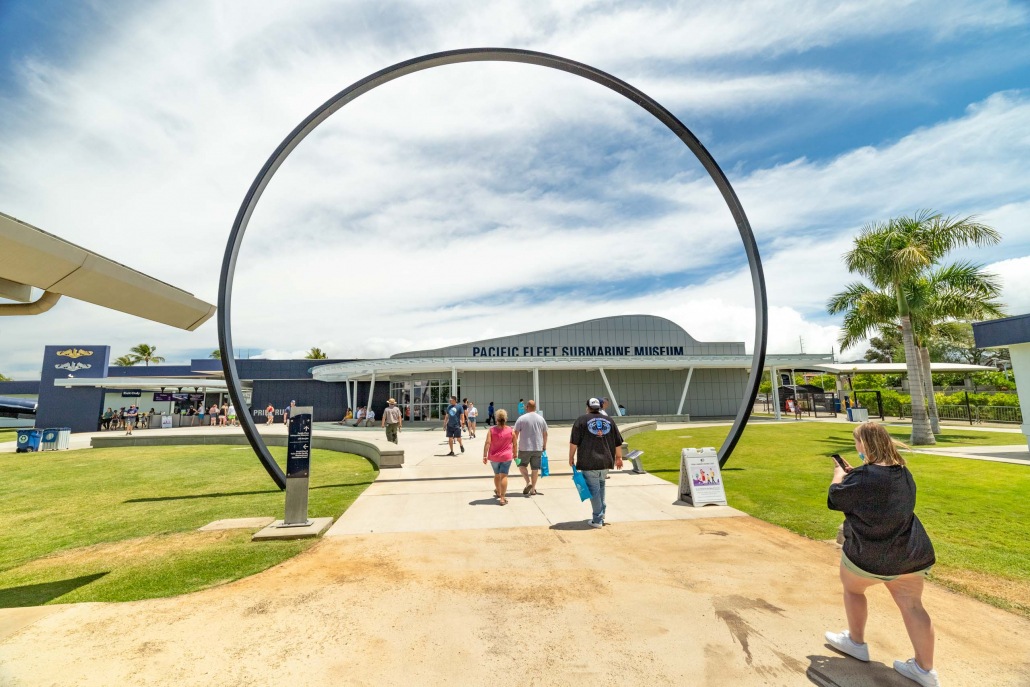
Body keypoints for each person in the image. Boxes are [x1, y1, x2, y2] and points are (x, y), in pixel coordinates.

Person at [824, 421, 939, 687]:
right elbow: (880, 495)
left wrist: (839, 474)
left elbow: (835, 498)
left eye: (857, 442)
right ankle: (925, 670)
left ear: (863, 444)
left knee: (853, 590)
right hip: (909, 554)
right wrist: (855, 476)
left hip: (869, 556)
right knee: (913, 605)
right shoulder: (903, 472)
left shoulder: (861, 477)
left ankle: (856, 642)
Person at [569, 397, 623, 528]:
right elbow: (618, 441)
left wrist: (571, 457)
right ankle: (602, 513)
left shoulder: (581, 420)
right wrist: (619, 458)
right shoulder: (609, 420)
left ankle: (597, 519)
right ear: (599, 407)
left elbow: (574, 442)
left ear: (587, 407)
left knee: (594, 490)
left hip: (588, 461)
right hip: (606, 461)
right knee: (601, 486)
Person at [513, 399, 547, 497]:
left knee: (520, 464)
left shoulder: (521, 418)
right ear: (535, 408)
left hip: (524, 448)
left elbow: (515, 433)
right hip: (538, 447)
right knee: (535, 469)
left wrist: (514, 447)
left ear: (527, 407)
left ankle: (528, 482)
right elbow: (545, 434)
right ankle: (533, 489)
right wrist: (544, 445)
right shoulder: (541, 419)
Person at [482, 409, 516, 505]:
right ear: (505, 419)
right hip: (506, 457)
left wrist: (485, 455)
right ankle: (502, 498)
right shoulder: (510, 430)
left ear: (496, 419)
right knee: (504, 476)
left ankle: (498, 491)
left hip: (494, 457)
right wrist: (515, 454)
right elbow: (515, 443)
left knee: (497, 475)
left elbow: (487, 442)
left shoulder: (491, 430)